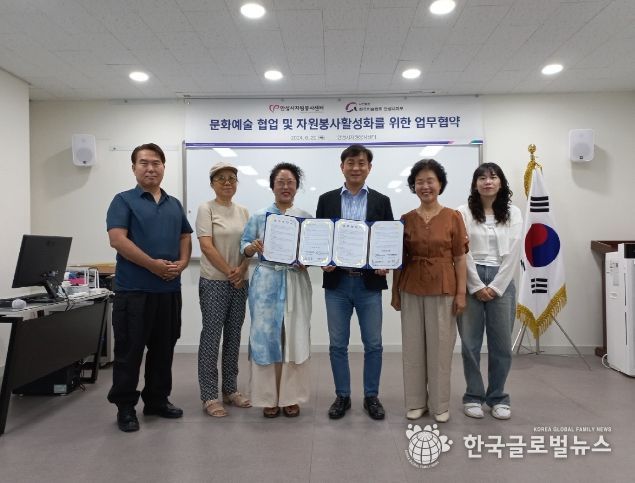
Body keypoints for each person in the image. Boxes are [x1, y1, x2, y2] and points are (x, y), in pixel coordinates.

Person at [106, 143, 192, 432]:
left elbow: (184, 236)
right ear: (134, 168)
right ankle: (125, 407)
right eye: (143, 163)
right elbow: (118, 240)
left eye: (156, 163)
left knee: (163, 350)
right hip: (134, 291)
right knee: (129, 351)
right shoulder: (123, 200)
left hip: (169, 291)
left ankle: (157, 400)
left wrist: (183, 262)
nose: (150, 168)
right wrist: (153, 265)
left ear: (164, 167)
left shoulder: (174, 203)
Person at [316, 144, 394, 420]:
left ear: (369, 168)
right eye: (350, 163)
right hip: (337, 283)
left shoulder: (381, 201)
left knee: (373, 344)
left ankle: (371, 396)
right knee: (338, 344)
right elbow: (320, 238)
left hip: (368, 284)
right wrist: (321, 259)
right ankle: (343, 396)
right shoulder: (326, 200)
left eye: (361, 163)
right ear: (342, 167)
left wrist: (385, 261)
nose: (356, 168)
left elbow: (387, 239)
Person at [391, 159, 467, 423]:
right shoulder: (405, 219)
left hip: (444, 289)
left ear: (440, 184)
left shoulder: (453, 217)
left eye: (430, 181)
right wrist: (395, 292)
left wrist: (461, 294)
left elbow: (460, 258)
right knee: (413, 348)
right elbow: (398, 260)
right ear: (413, 186)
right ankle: (415, 402)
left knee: (440, 350)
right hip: (411, 287)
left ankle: (440, 405)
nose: (425, 186)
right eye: (419, 182)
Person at [240, 163, 312, 418]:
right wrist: (252, 247)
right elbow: (244, 245)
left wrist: (307, 260)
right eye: (280, 182)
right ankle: (267, 397)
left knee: (294, 336)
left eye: (290, 182)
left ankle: (291, 397)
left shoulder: (306, 217)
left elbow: (314, 251)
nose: (285, 186)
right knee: (265, 338)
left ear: (297, 187)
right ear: (272, 186)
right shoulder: (259, 216)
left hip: (295, 280)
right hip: (266, 284)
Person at [457, 163, 522, 420]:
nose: (487, 182)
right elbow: (462, 251)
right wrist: (475, 285)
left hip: (502, 281)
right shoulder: (463, 212)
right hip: (470, 278)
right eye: (482, 178)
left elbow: (514, 250)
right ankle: (473, 396)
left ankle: (498, 397)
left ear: (501, 182)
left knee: (501, 344)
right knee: (470, 344)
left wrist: (495, 287)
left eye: (493, 177)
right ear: (475, 184)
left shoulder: (513, 212)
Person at [196, 161, 251, 418]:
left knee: (233, 336)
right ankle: (209, 396)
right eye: (221, 178)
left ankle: (230, 390)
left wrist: (242, 269)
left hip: (240, 281)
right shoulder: (206, 209)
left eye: (232, 178)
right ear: (212, 183)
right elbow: (206, 246)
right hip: (215, 281)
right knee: (211, 337)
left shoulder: (243, 211)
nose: (227, 182)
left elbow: (249, 246)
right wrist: (230, 272)